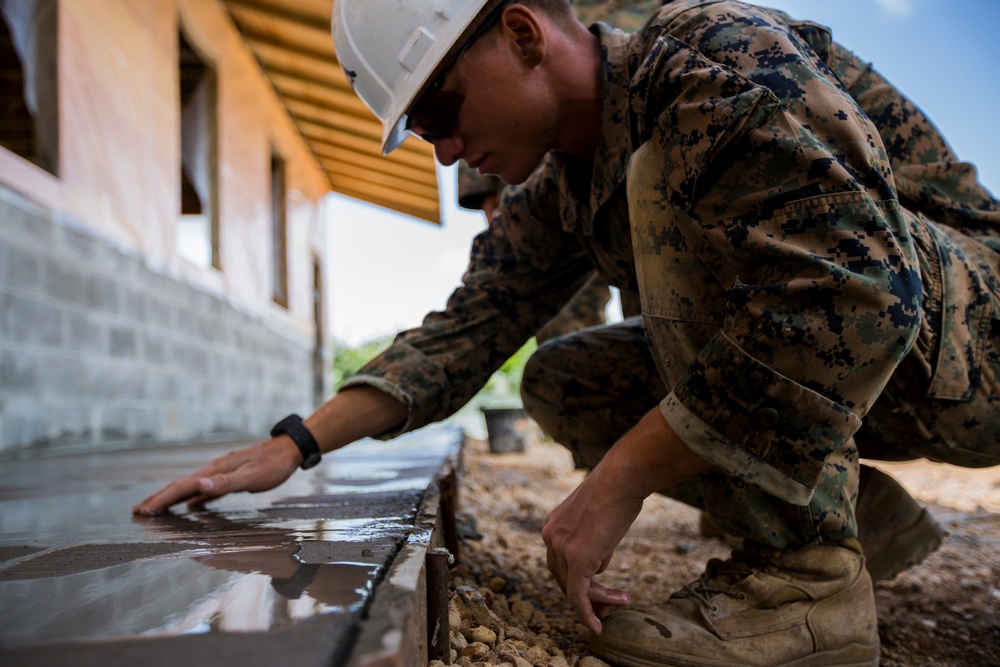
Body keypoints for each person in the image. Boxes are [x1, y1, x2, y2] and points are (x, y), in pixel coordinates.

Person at [134, 1, 1000, 665]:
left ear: (520, 33)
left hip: (974, 341)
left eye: (438, 110)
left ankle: (807, 585)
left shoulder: (709, 56)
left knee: (660, 179)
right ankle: (859, 521)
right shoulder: (562, 186)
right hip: (885, 369)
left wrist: (621, 477)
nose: (443, 154)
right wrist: (296, 442)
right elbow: (465, 329)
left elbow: (852, 293)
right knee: (563, 378)